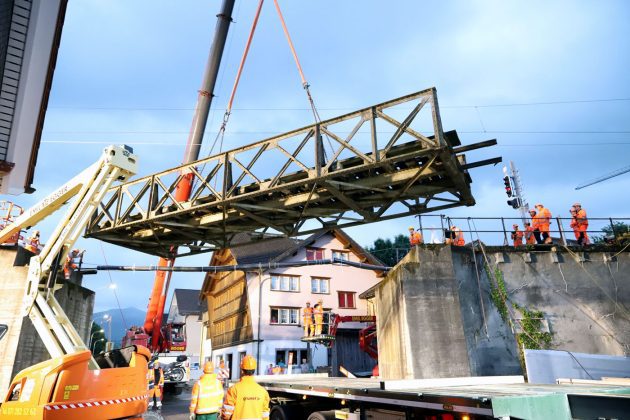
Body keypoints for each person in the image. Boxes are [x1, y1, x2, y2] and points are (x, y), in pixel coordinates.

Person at [222, 355, 270, 420]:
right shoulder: (263, 391)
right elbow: (265, 416)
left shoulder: (234, 389)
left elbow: (227, 415)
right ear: (254, 370)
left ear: (242, 371)